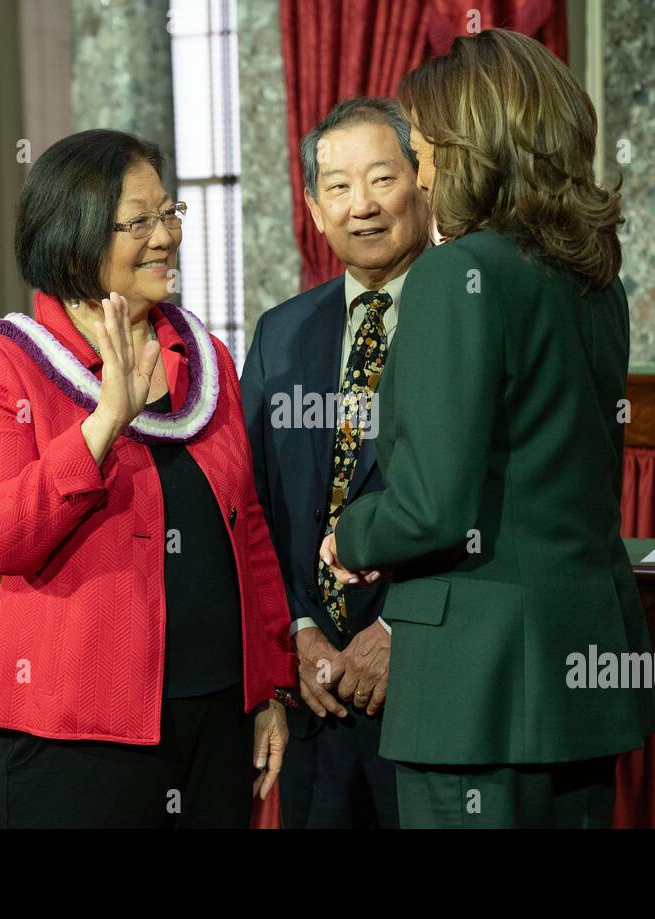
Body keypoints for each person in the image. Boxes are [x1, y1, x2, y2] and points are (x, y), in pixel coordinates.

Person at [321, 29, 655, 828]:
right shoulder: (592, 279)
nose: (422, 169)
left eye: (424, 146)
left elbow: (432, 508)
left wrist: (351, 535)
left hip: (481, 689)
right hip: (579, 672)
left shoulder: (456, 274)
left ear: (471, 146)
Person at [0, 128, 296, 828]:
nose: (165, 236)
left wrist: (270, 687)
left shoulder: (205, 357)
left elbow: (249, 526)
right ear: (73, 236)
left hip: (217, 717)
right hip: (76, 736)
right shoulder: (3, 366)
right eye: (140, 221)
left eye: (169, 214)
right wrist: (103, 424)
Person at [242, 97, 430, 828]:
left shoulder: (472, 316)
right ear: (314, 208)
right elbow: (255, 502)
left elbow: (494, 500)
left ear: (422, 182)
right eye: (339, 187)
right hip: (312, 694)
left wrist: (397, 632)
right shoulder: (282, 332)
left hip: (426, 689)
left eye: (381, 178)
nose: (363, 206)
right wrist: (296, 631)